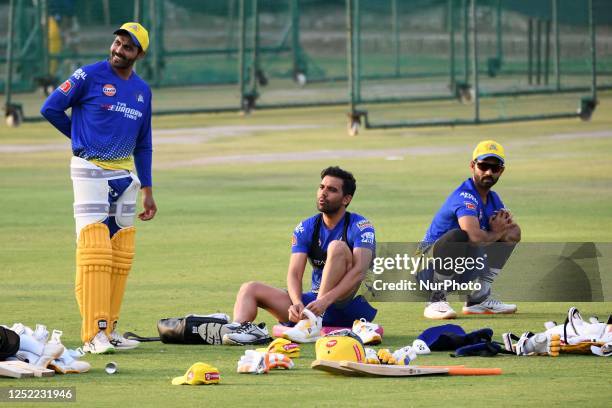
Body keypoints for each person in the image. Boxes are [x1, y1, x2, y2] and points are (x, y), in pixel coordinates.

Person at [40, 22, 156, 353]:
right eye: (117, 43)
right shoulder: (87, 75)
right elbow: (49, 108)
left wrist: (148, 187)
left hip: (125, 176)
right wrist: (81, 138)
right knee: (95, 250)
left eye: (128, 47)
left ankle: (110, 327)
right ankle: (94, 334)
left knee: (120, 252)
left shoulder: (142, 91)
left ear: (139, 54)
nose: (119, 50)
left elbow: (144, 143)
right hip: (89, 169)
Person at [223, 166, 377, 345]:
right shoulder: (306, 227)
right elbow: (295, 273)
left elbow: (359, 271)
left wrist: (324, 302)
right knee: (250, 288)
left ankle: (312, 320)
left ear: (346, 199)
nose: (323, 193)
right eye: (322, 187)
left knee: (337, 247)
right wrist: (296, 303)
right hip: (314, 303)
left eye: (332, 190)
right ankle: (240, 330)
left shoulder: (360, 226)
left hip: (345, 304)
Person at [418, 140, 521, 320]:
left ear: (501, 171)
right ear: (473, 165)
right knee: (459, 236)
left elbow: (510, 231)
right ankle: (435, 300)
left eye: (494, 168)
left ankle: (479, 298)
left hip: (458, 269)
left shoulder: (493, 199)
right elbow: (474, 237)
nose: (488, 172)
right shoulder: (464, 195)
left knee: (513, 233)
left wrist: (500, 232)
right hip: (426, 270)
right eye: (483, 166)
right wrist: (496, 233)